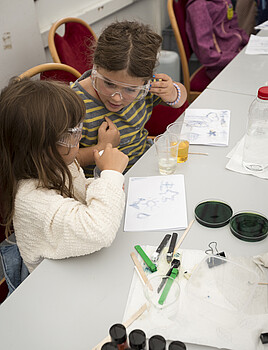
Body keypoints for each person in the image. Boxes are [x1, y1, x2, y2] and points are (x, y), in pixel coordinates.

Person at [0, 78, 129, 273]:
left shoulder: (57, 163)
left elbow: (78, 191)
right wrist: (111, 175)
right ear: (40, 147)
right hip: (48, 280)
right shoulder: (30, 199)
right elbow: (99, 231)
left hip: (72, 262)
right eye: (74, 131)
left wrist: (104, 185)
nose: (80, 137)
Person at [71, 20, 187, 177]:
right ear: (95, 69)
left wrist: (173, 92)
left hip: (146, 166)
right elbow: (65, 160)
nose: (117, 98)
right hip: (105, 183)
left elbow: (181, 99)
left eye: (130, 89)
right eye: (109, 84)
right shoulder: (73, 104)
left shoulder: (147, 87)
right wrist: (103, 146)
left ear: (146, 82)